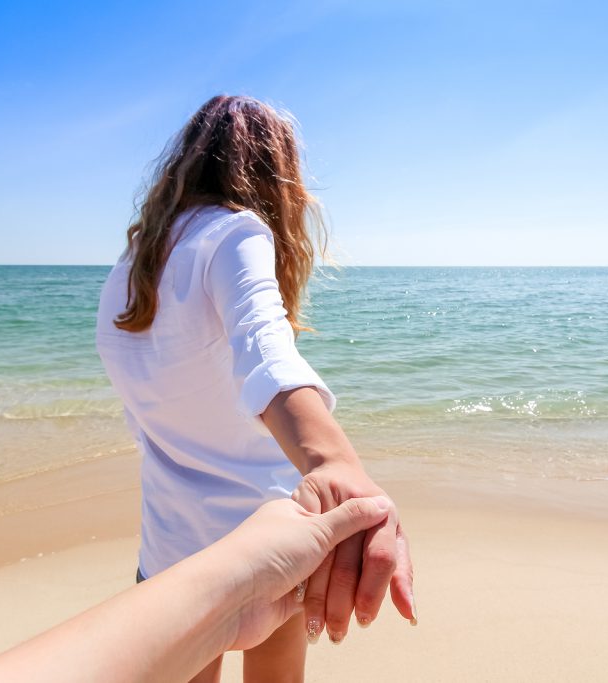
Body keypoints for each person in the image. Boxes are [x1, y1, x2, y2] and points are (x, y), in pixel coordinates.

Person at [94, 95, 415, 682]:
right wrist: (335, 461)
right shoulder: (235, 232)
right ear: (278, 174)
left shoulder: (130, 265)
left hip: (168, 544)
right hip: (264, 538)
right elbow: (266, 349)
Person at [0, 496, 397, 683]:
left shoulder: (125, 291)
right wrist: (339, 460)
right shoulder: (246, 288)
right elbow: (273, 373)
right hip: (273, 532)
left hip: (173, 541)